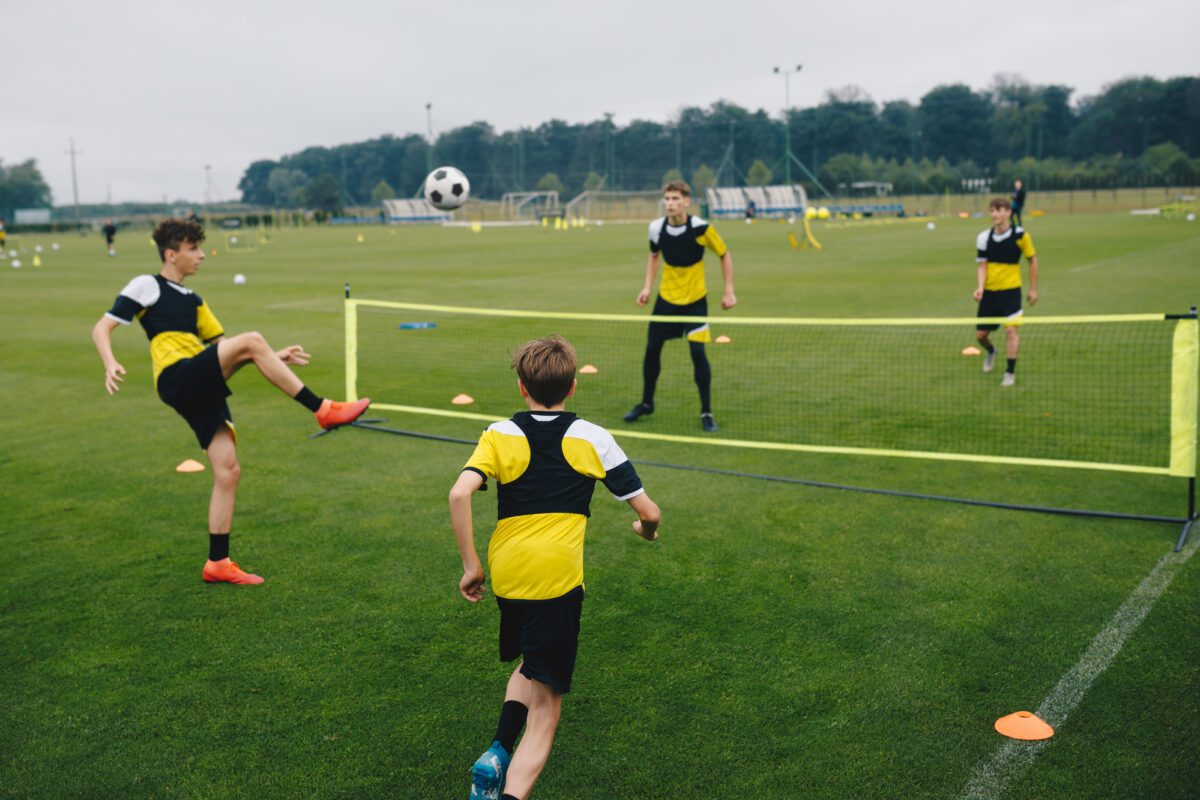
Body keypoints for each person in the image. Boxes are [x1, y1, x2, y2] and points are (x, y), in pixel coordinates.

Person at [91, 218, 370, 585]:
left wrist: (273, 355)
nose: (201, 255)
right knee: (252, 339)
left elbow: (224, 346)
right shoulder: (148, 284)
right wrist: (110, 362)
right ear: (171, 255)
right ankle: (323, 410)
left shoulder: (194, 301)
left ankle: (217, 563)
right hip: (177, 376)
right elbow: (102, 327)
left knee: (228, 470)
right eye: (193, 249)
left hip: (199, 380)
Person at [450, 335, 660, 800]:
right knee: (546, 709)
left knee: (531, 658)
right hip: (557, 580)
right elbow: (650, 513)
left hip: (508, 573)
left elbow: (460, 493)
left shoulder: (498, 433)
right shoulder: (593, 436)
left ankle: (497, 750)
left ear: (522, 387)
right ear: (573, 386)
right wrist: (645, 533)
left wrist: (471, 567)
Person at [624, 180, 736, 432]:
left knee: (698, 354)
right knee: (651, 350)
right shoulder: (656, 228)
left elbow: (724, 254)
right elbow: (654, 257)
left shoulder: (701, 228)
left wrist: (729, 291)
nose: (670, 203)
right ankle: (646, 403)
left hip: (695, 302)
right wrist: (646, 287)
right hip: (666, 301)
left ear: (686, 201)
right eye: (667, 199)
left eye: (675, 199)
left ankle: (706, 412)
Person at [974, 198, 1038, 387]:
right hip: (990, 293)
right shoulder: (983, 237)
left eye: (999, 210)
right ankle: (992, 351)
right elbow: (982, 266)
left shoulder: (1021, 235)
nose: (994, 214)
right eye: (992, 210)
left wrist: (1033, 289)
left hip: (1011, 291)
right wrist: (980, 287)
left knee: (1011, 330)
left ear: (1008, 212)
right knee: (981, 336)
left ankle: (1009, 372)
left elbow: (1032, 260)